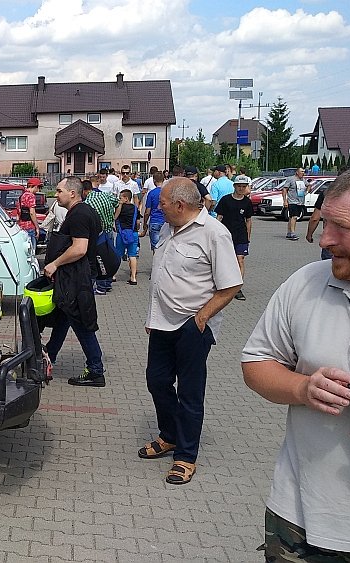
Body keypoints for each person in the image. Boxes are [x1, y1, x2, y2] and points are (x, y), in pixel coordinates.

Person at [241, 160, 350, 559]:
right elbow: (257, 363)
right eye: (323, 222)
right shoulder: (306, 282)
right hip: (301, 521)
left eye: (341, 227)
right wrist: (301, 387)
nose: (324, 239)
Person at [139, 178, 243, 485]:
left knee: (189, 392)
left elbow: (232, 285)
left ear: (181, 205)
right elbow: (160, 277)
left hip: (192, 326)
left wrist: (201, 318)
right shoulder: (167, 229)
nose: (159, 206)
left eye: (163, 203)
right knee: (156, 380)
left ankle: (185, 456)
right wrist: (151, 315)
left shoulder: (213, 234)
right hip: (161, 322)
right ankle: (169, 435)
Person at [41, 176, 106, 387]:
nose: (56, 194)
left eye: (59, 191)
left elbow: (79, 249)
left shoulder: (78, 214)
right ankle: (49, 355)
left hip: (77, 277)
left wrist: (55, 264)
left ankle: (95, 370)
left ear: (72, 193)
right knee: (64, 317)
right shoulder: (83, 211)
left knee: (80, 323)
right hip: (76, 276)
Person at [214, 174, 254, 301]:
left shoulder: (247, 202)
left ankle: (237, 288)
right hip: (226, 235)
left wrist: (248, 236)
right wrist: (215, 233)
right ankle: (223, 284)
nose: (241, 188)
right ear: (234, 186)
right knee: (225, 261)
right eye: (239, 186)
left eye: (244, 186)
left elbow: (249, 220)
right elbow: (219, 218)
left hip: (241, 235)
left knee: (240, 260)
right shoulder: (226, 200)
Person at [85, 173, 120, 294]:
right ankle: (108, 282)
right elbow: (118, 202)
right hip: (109, 230)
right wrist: (114, 218)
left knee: (100, 260)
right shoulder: (105, 195)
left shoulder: (88, 201)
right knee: (109, 257)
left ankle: (102, 286)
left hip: (99, 234)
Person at [113, 188, 140, 285]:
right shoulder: (135, 208)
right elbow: (137, 222)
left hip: (122, 234)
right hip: (133, 233)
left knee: (118, 255)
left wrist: (119, 205)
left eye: (120, 198)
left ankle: (113, 275)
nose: (119, 199)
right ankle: (133, 277)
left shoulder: (120, 208)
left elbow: (115, 217)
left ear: (126, 198)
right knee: (132, 255)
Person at [141, 171, 165, 253]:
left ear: (154, 181)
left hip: (155, 221)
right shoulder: (167, 192)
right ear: (164, 180)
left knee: (156, 247)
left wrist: (145, 223)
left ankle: (157, 264)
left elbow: (147, 211)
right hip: (166, 222)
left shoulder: (151, 193)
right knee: (165, 247)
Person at [305, 187, 333, 260]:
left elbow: (315, 218)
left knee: (328, 266)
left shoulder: (327, 192)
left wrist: (309, 234)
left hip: (331, 238)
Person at [281, 168, 308, 240]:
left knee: (291, 217)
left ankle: (289, 233)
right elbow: (284, 189)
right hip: (292, 201)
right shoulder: (291, 179)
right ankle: (292, 233)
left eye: (304, 172)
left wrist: (306, 192)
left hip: (300, 202)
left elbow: (309, 185)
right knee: (294, 217)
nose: (303, 173)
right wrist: (285, 201)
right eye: (302, 171)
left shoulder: (303, 180)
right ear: (297, 172)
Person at [18, 178, 41, 249]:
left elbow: (18, 212)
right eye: (39, 187)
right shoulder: (31, 196)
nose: (39, 190)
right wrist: (37, 227)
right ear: (35, 186)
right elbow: (32, 213)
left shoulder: (22, 196)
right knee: (31, 249)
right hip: (29, 226)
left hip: (22, 226)